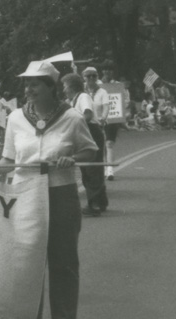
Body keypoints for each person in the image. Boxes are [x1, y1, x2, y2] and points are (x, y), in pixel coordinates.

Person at [0, 60, 97, 319]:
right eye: (26, 83)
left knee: (62, 262)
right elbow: (10, 159)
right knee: (26, 262)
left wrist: (72, 159)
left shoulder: (72, 117)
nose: (28, 89)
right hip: (24, 195)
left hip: (60, 193)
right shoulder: (16, 119)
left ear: (50, 87)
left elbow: (89, 151)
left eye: (34, 84)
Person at [65, 73, 108, 216]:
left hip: (91, 132)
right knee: (88, 169)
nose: (64, 89)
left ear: (71, 87)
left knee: (92, 169)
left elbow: (88, 115)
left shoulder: (83, 97)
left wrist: (74, 126)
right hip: (84, 133)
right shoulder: (72, 101)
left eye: (65, 86)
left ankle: (94, 204)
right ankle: (101, 201)